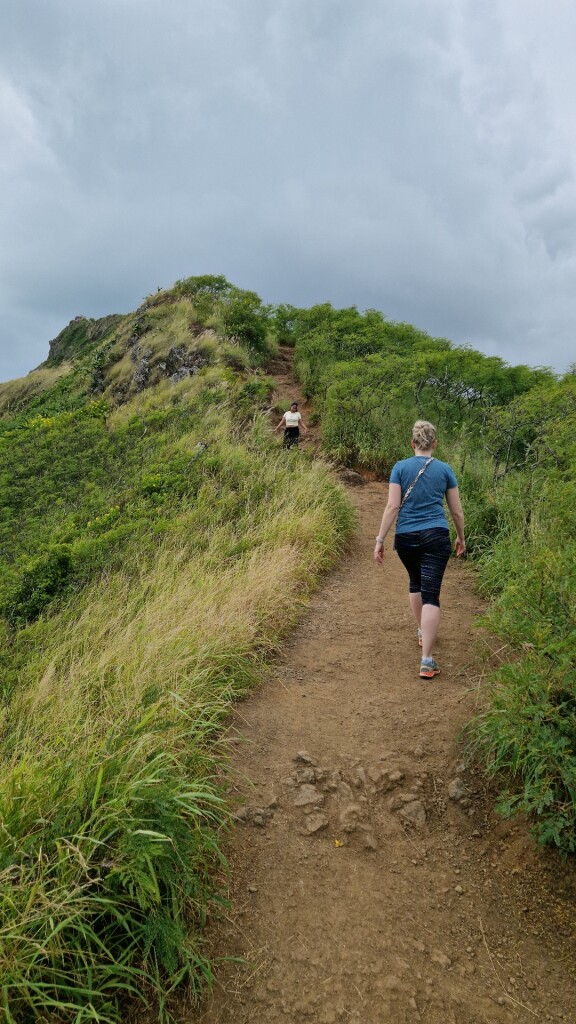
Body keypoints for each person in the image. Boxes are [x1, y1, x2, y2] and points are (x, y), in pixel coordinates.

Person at [374, 420, 465, 679]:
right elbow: (456, 511)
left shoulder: (400, 468)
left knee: (416, 582)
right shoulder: (445, 470)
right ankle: (427, 660)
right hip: (436, 535)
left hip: (405, 536)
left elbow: (392, 507)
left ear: (412, 443)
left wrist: (380, 539)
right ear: (434, 444)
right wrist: (461, 537)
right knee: (431, 594)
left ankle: (422, 632)